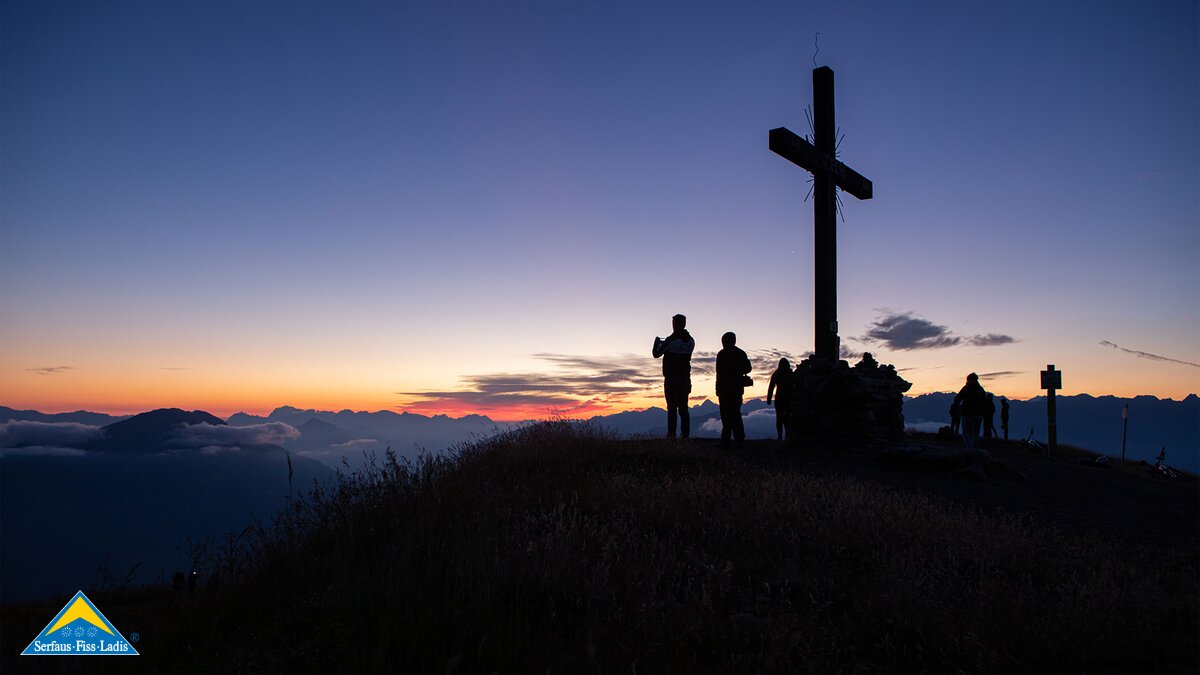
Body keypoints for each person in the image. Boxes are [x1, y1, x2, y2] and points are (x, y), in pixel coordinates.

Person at [652, 314, 695, 439]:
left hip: (672, 378)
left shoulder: (672, 340)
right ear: (684, 324)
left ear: (674, 324)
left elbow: (656, 354)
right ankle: (685, 436)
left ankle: (671, 436)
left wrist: (656, 343)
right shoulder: (691, 341)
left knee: (672, 409)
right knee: (683, 408)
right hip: (685, 378)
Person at [715, 331, 752, 448]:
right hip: (737, 388)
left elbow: (719, 373)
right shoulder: (740, 353)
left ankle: (726, 441)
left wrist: (717, 388)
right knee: (736, 414)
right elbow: (748, 368)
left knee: (726, 415)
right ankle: (739, 439)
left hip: (724, 389)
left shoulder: (721, 354)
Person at [953, 373, 988, 448]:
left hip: (967, 413)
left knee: (966, 433)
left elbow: (958, 399)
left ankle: (969, 449)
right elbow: (985, 401)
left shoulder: (966, 388)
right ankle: (975, 449)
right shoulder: (981, 389)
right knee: (976, 433)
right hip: (979, 414)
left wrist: (956, 408)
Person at [766, 357, 792, 441]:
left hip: (780, 398)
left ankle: (781, 436)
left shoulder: (777, 374)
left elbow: (771, 387)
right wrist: (769, 398)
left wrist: (769, 398)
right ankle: (786, 436)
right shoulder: (789, 373)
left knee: (780, 418)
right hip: (787, 398)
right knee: (785, 418)